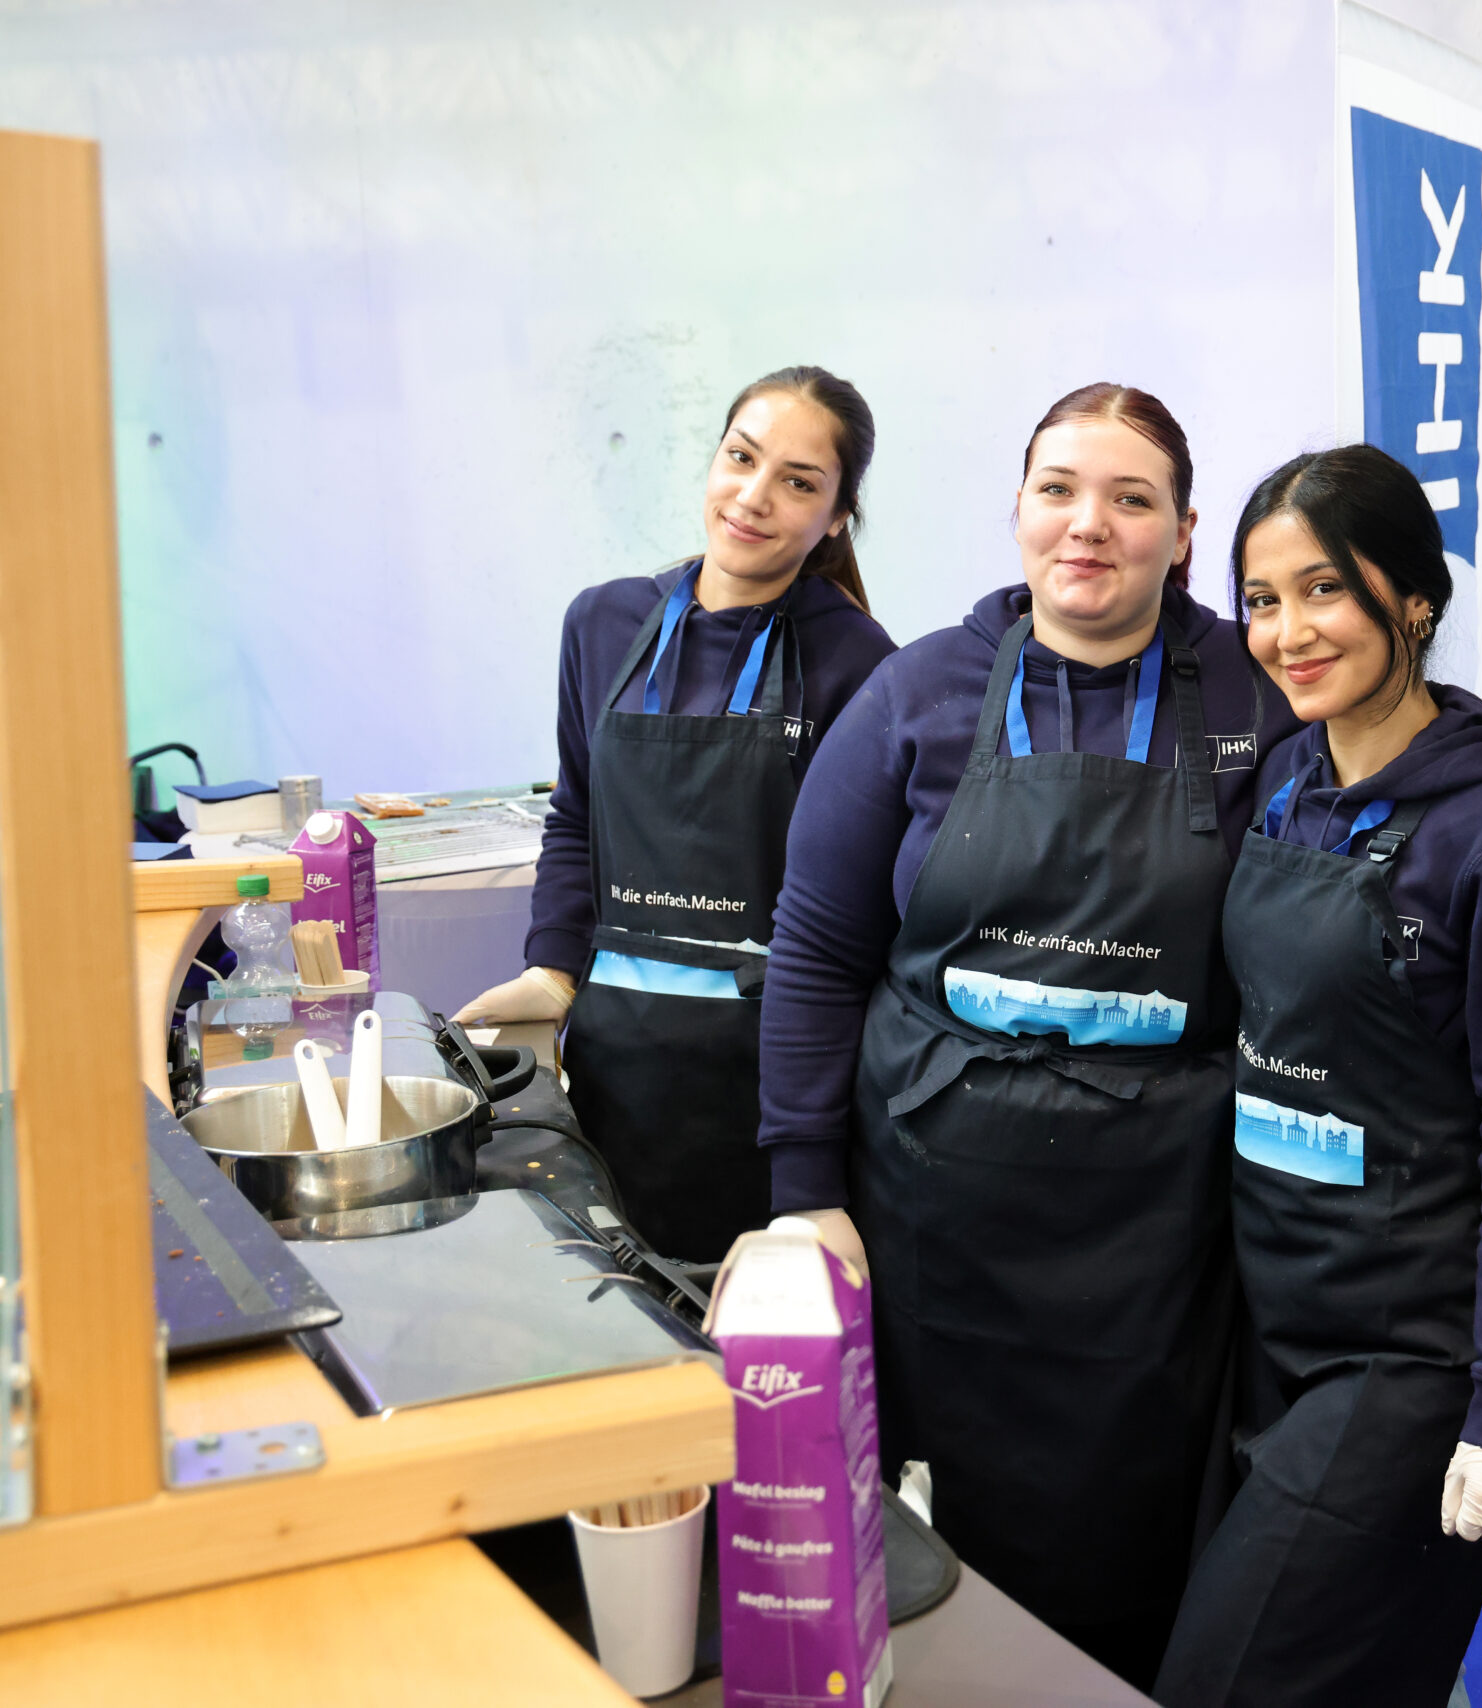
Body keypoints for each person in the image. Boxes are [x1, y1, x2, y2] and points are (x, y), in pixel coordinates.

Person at [756, 382, 1300, 1686]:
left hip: (1158, 1231)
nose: (1088, 525)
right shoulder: (918, 694)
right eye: (1059, 489)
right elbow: (817, 949)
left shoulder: (1257, 690)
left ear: (1185, 532)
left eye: (1131, 499)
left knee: (1135, 1553)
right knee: (947, 1555)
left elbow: (1395, 764)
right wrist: (802, 1189)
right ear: (1017, 509)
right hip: (934, 1213)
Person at [1152, 445, 1482, 1708]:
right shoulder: (1285, 785)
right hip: (1274, 1324)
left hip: (1410, 1358)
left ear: (1413, 599)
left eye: (1323, 589)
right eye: (1260, 599)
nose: (1287, 632)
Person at [457, 366, 896, 1262]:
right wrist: (553, 970)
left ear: (836, 517)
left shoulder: (861, 663)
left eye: (799, 482)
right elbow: (575, 816)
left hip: (776, 1079)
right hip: (618, 1063)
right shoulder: (601, 624)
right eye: (741, 458)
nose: (754, 496)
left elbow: (859, 903)